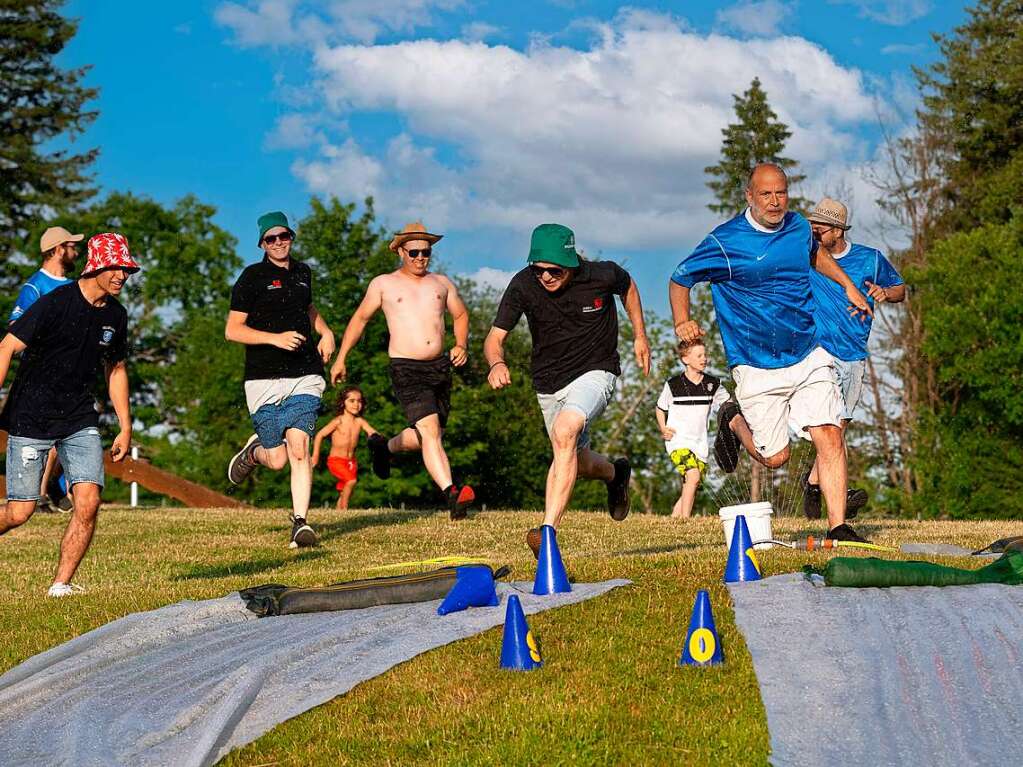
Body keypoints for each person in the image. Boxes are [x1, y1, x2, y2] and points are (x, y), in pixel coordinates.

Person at [669, 163, 872, 542]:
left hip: (808, 350)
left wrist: (848, 285)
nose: (775, 202)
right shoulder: (724, 242)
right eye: (766, 194)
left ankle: (838, 527)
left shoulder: (797, 227)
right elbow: (680, 279)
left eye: (781, 193)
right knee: (775, 457)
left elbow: (815, 255)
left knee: (829, 432)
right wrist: (683, 320)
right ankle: (732, 418)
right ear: (749, 196)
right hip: (756, 363)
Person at [484, 223, 650, 557]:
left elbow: (628, 286)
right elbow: (494, 339)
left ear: (571, 262)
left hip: (596, 371)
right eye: (538, 269)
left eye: (554, 270)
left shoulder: (602, 275)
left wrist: (640, 334)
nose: (545, 276)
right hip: (548, 384)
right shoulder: (523, 285)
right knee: (573, 456)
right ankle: (615, 473)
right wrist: (496, 363)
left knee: (565, 431)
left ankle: (547, 533)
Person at [0, 232, 137, 597]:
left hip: (78, 418)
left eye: (126, 270)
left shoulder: (116, 315)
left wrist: (125, 426)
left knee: (89, 502)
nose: (123, 276)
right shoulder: (56, 302)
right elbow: (6, 346)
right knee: (19, 512)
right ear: (96, 266)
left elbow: (116, 369)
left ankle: (61, 585)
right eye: (117, 268)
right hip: (32, 415)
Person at [331, 222, 475, 520]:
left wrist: (461, 344)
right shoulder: (383, 284)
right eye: (414, 252)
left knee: (429, 435)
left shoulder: (441, 283)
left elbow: (460, 314)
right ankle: (452, 495)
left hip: (440, 367)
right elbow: (360, 320)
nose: (421, 257)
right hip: (406, 368)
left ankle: (385, 448)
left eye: (426, 252)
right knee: (430, 431)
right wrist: (341, 357)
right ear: (400, 252)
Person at [226, 211, 336, 549]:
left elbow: (309, 308)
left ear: (291, 236)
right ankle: (255, 451)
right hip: (263, 378)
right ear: (262, 243)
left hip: (305, 373)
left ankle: (300, 524)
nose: (278, 243)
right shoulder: (252, 277)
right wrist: (275, 339)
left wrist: (325, 331)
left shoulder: (303, 272)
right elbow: (233, 330)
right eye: (271, 239)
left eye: (283, 236)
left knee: (300, 445)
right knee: (277, 459)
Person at [801, 197, 906, 519]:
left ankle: (814, 485)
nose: (815, 236)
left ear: (838, 230)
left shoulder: (870, 259)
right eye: (812, 230)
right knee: (829, 426)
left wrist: (885, 293)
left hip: (855, 354)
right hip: (818, 353)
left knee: (840, 426)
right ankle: (831, 497)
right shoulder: (806, 257)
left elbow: (900, 289)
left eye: (820, 231)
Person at [9, 226, 84, 513]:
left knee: (71, 431)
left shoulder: (74, 286)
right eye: (71, 246)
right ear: (57, 249)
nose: (76, 251)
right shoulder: (34, 287)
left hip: (74, 374)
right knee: (53, 434)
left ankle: (51, 486)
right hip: (43, 374)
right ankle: (41, 493)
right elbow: (16, 326)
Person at [656, 339, 729, 519]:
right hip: (677, 442)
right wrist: (663, 428)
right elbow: (660, 408)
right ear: (685, 359)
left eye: (705, 355)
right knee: (693, 476)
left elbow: (728, 403)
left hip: (700, 445)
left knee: (691, 483)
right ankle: (685, 521)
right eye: (699, 356)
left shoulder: (713, 384)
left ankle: (675, 518)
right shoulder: (673, 385)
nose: (704, 359)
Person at [311, 386, 380, 510]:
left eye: (359, 401)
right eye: (352, 401)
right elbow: (320, 434)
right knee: (351, 481)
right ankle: (345, 510)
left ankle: (338, 512)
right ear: (343, 403)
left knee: (345, 489)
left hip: (351, 462)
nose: (356, 404)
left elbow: (372, 432)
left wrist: (379, 440)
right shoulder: (338, 421)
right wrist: (315, 456)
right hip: (336, 460)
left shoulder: (360, 422)